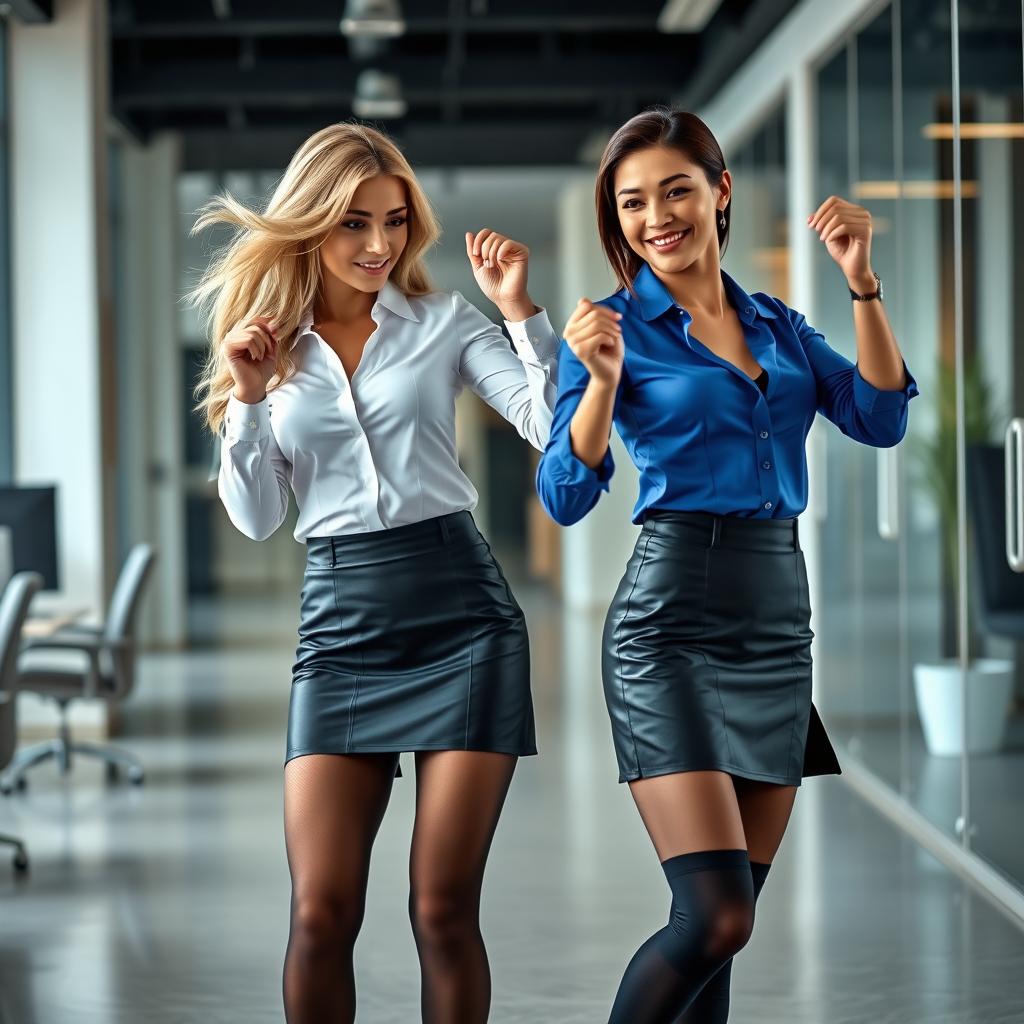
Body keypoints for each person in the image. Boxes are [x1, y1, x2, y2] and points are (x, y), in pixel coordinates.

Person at [536, 107, 918, 1023]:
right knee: (714, 916)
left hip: (777, 622)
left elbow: (879, 417)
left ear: (720, 192)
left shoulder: (778, 324)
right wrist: (599, 384)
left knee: (725, 931)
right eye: (632, 203)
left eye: (675, 189)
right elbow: (564, 492)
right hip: (666, 622)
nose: (656, 216)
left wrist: (863, 287)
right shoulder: (610, 329)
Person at [192, 122, 560, 1024]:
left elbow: (552, 434)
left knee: (441, 909)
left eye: (394, 222)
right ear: (311, 223)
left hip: (465, 620)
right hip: (340, 623)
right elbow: (256, 519)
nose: (379, 245)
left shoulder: (441, 324)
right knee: (320, 913)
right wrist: (246, 399)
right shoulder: (267, 353)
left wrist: (521, 315)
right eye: (354, 223)